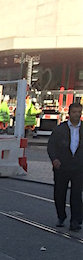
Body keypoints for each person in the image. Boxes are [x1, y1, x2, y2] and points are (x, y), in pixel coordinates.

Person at [46, 99, 82, 231]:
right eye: (74, 112)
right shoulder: (60, 129)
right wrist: (54, 159)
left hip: (79, 167)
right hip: (62, 166)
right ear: (69, 113)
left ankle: (76, 220)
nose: (77, 115)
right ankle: (61, 216)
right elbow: (51, 146)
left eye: (79, 112)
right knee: (60, 192)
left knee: (77, 194)